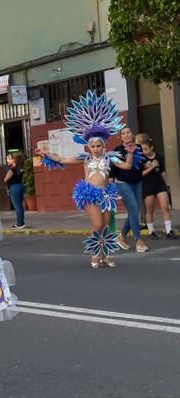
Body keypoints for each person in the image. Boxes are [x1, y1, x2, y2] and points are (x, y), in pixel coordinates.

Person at [38, 91, 136, 268]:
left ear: (103, 146)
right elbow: (62, 159)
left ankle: (104, 257)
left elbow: (127, 167)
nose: (96, 149)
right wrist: (45, 154)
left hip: (106, 195)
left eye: (99, 146)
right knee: (98, 224)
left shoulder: (110, 157)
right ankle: (93, 254)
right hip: (90, 194)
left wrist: (129, 154)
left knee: (106, 227)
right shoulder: (85, 158)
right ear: (88, 147)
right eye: (93, 146)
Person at [111, 127, 148, 252]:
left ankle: (121, 237)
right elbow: (113, 170)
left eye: (128, 132)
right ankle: (139, 241)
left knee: (134, 211)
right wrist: (110, 187)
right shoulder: (117, 150)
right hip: (123, 183)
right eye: (123, 133)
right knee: (134, 209)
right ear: (120, 137)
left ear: (132, 134)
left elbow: (142, 164)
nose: (126, 135)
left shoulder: (138, 148)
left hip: (137, 182)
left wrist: (146, 165)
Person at [138, 134, 178, 239]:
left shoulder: (159, 157)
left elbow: (162, 171)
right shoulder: (141, 159)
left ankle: (169, 231)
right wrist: (151, 167)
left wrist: (167, 184)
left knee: (165, 206)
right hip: (148, 185)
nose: (144, 151)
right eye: (143, 149)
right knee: (149, 209)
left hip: (159, 184)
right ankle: (151, 231)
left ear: (152, 147)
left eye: (146, 149)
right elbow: (141, 174)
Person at [3, 152, 26, 229]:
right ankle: (21, 222)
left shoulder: (12, 170)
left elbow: (5, 179)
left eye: (10, 159)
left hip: (14, 187)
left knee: (17, 206)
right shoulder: (21, 168)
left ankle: (20, 223)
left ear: (14, 160)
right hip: (20, 186)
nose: (8, 160)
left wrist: (8, 170)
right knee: (20, 206)